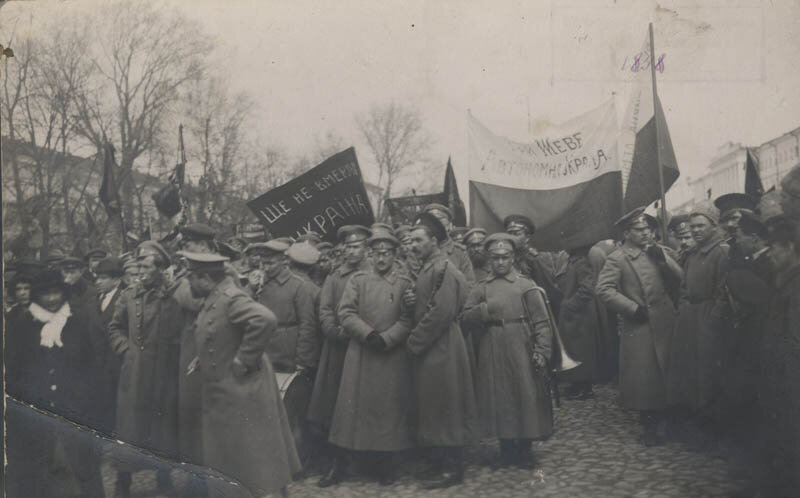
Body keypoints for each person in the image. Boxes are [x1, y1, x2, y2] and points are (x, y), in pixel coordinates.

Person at [183, 251, 301, 498]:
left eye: (191, 277)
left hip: (241, 389)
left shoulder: (230, 297)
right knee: (238, 459)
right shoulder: (215, 296)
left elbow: (265, 319)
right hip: (226, 391)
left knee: (253, 460)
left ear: (204, 278)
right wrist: (201, 358)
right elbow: (219, 333)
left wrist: (244, 359)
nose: (188, 283)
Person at [5, 269, 106, 498]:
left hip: (76, 412)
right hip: (38, 415)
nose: (52, 299)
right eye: (46, 294)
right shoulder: (22, 325)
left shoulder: (77, 321)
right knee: (42, 472)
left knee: (85, 470)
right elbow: (14, 371)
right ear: (36, 296)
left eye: (56, 293)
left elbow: (91, 367)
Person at [326, 229, 415, 486]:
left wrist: (388, 338)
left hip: (390, 354)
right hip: (361, 352)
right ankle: (342, 463)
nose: (381, 259)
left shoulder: (404, 283)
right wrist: (368, 334)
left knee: (386, 410)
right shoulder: (358, 280)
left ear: (395, 255)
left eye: (386, 253)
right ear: (370, 254)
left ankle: (384, 464)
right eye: (376, 253)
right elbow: (345, 312)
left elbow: (408, 319)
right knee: (351, 411)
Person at [461, 233, 553, 469]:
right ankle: (506, 448)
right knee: (499, 396)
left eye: (505, 257)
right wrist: (484, 310)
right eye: (495, 258)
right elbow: (464, 317)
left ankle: (525, 449)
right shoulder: (481, 287)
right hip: (492, 344)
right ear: (489, 259)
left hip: (521, 342)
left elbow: (542, 321)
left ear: (513, 258)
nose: (500, 262)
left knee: (524, 393)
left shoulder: (526, 285)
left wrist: (542, 349)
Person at [596, 207, 683, 446]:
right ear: (627, 233)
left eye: (648, 229)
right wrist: (631, 308)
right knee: (647, 378)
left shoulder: (660, 251)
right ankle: (650, 426)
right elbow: (604, 290)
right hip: (641, 323)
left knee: (669, 372)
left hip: (667, 320)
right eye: (639, 229)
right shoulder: (617, 257)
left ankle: (673, 422)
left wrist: (663, 259)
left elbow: (681, 279)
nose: (645, 233)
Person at [405, 213, 477, 489]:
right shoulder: (429, 267)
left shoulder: (444, 268)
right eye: (411, 240)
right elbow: (428, 304)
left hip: (442, 346)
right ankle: (439, 460)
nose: (413, 245)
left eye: (418, 240)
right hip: (433, 346)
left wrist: (414, 342)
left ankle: (453, 468)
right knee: (434, 404)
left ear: (434, 241)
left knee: (447, 405)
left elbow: (441, 312)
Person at [107, 241, 183, 498]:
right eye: (138, 265)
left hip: (163, 371)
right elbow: (115, 327)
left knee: (162, 424)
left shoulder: (174, 296)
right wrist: (125, 349)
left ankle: (163, 475)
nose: (140, 271)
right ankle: (123, 480)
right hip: (134, 372)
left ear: (161, 269)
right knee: (129, 427)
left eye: (146, 266)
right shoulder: (129, 295)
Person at [309, 225, 372, 486]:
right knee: (336, 405)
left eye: (356, 245)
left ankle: (373, 460)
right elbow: (324, 308)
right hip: (337, 348)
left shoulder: (374, 273)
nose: (351, 250)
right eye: (347, 245)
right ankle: (339, 463)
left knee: (368, 403)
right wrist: (332, 330)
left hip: (366, 348)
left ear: (366, 247)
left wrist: (361, 332)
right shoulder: (335, 277)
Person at [666, 207, 729, 425]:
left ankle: (709, 424)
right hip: (689, 317)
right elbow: (684, 285)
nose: (696, 230)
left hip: (707, 317)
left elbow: (723, 293)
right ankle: (692, 418)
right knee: (689, 371)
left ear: (714, 225)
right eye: (693, 226)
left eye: (701, 225)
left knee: (707, 373)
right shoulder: (693, 254)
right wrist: (684, 309)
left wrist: (712, 322)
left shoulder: (721, 252)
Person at [755, 215, 800, 496]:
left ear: (792, 248)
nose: (768, 253)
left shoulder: (795, 288)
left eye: (774, 247)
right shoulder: (785, 281)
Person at [557, 244, 606, 400]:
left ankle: (584, 387)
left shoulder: (581, 261)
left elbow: (588, 287)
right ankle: (578, 385)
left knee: (582, 350)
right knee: (575, 348)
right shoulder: (573, 260)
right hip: (574, 313)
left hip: (580, 314)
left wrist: (571, 305)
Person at [504, 214, 567, 314]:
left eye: (516, 234)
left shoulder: (535, 259)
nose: (511, 238)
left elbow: (549, 293)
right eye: (509, 234)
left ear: (527, 237)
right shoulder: (507, 258)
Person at [92, 256, 125, 436]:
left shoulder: (124, 297)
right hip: (98, 362)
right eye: (97, 278)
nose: (98, 282)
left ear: (116, 280)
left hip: (115, 361)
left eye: (103, 278)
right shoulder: (97, 298)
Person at [423, 203, 475, 283]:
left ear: (449, 225)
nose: (434, 225)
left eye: (439, 220)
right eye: (430, 221)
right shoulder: (421, 249)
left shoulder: (459, 252)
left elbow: (469, 284)